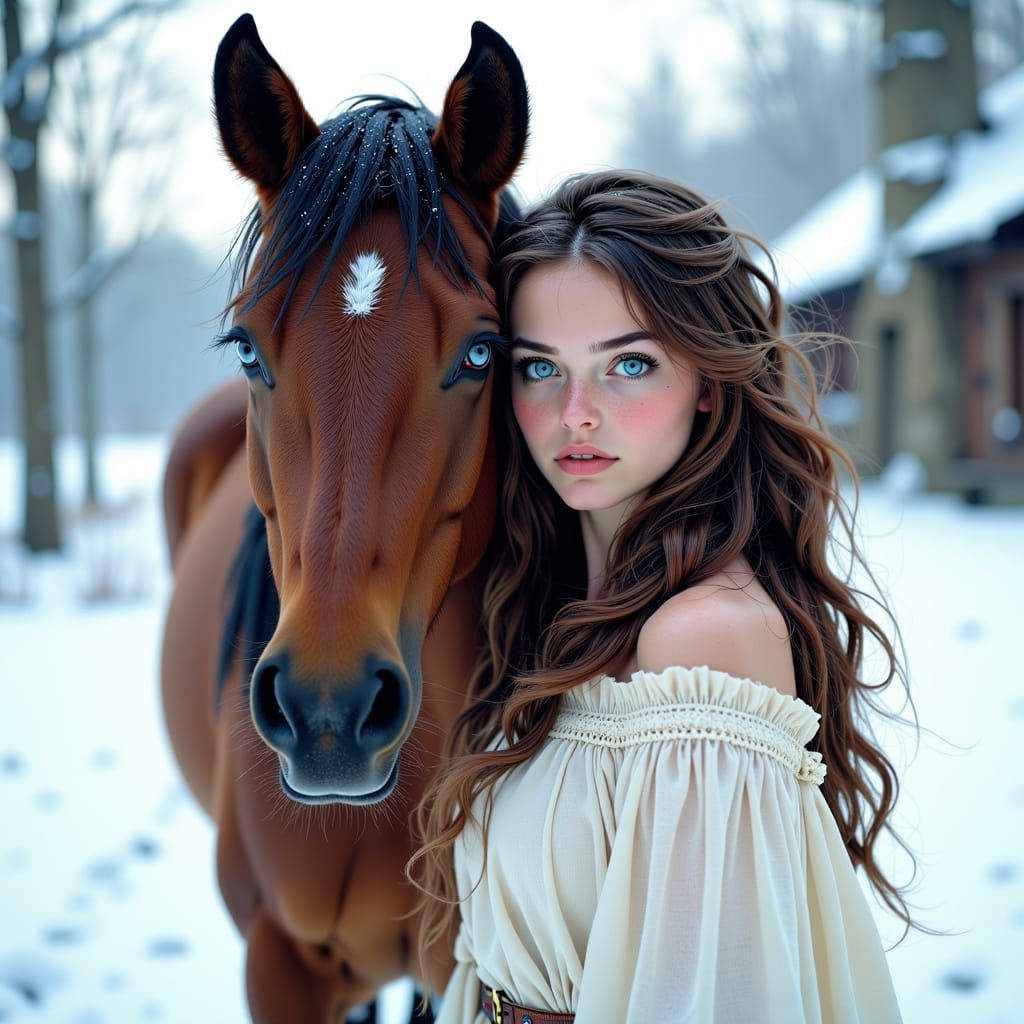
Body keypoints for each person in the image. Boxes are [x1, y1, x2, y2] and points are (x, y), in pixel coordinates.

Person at [408, 169, 922, 1022]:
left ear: (708, 385)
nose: (576, 413)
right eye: (540, 368)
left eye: (629, 365)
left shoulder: (703, 640)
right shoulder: (548, 614)